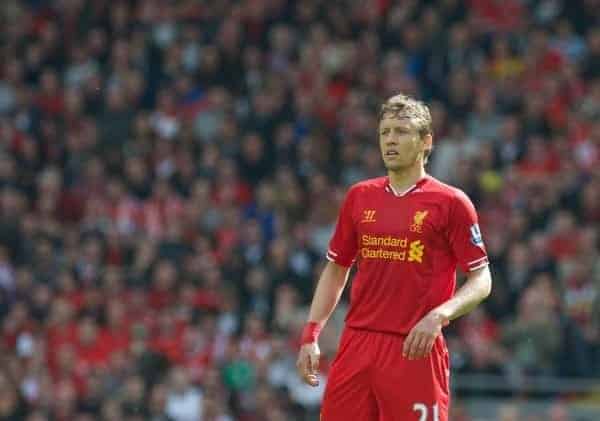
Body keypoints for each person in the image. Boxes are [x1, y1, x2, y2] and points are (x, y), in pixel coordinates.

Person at [296, 94, 492, 421]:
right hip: (357, 344)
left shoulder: (451, 202)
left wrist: (439, 316)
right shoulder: (360, 196)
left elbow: (482, 279)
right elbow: (337, 268)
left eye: (401, 131)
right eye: (384, 132)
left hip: (414, 348)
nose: (390, 140)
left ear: (426, 141)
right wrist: (310, 335)